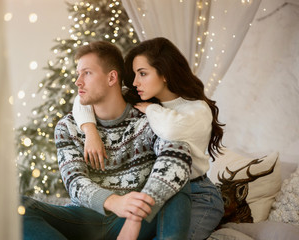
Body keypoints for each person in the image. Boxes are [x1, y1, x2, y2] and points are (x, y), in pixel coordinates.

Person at [21, 40, 193, 240]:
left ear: (112, 77)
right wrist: (114, 202)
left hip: (134, 219)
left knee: (178, 187)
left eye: (87, 73)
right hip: (86, 219)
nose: (78, 81)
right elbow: (74, 182)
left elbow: (178, 157)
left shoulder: (149, 118)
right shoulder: (68, 127)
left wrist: (133, 216)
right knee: (17, 208)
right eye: (78, 73)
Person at [73, 37, 225, 240]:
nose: (135, 82)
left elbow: (171, 131)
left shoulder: (196, 110)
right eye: (135, 74)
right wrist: (90, 131)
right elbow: (82, 98)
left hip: (196, 194)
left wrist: (152, 109)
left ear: (165, 74)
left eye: (143, 74)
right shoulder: (142, 98)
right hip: (155, 191)